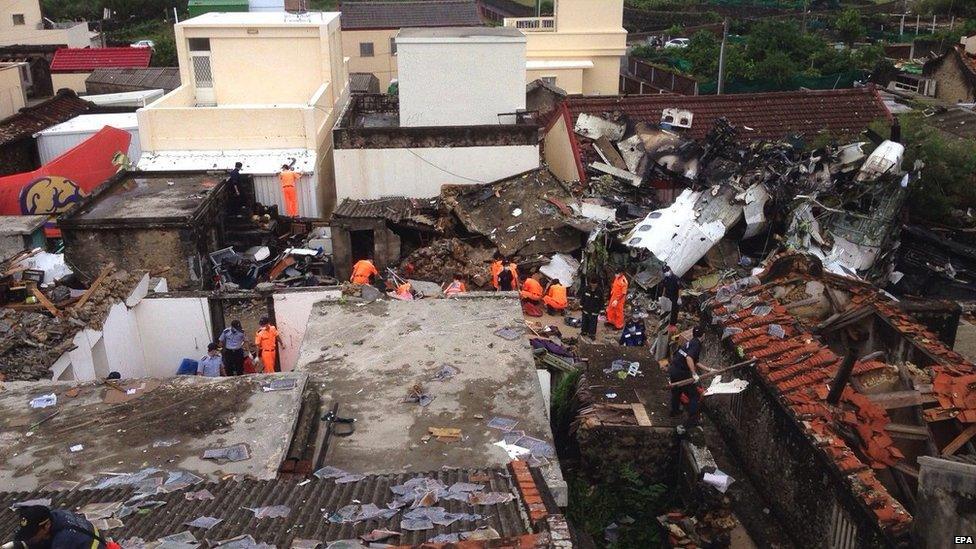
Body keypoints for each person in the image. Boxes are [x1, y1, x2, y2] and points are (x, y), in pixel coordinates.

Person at [13, 505, 113, 549]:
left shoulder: (64, 540)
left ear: (46, 525)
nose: (31, 537)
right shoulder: (56, 515)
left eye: (33, 534)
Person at [669, 326, 706, 427]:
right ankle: (693, 419)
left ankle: (674, 411)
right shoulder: (697, 345)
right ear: (703, 336)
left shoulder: (690, 342)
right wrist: (694, 373)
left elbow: (695, 361)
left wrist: (709, 369)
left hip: (674, 369)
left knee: (677, 391)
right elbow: (689, 358)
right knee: (694, 395)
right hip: (682, 372)